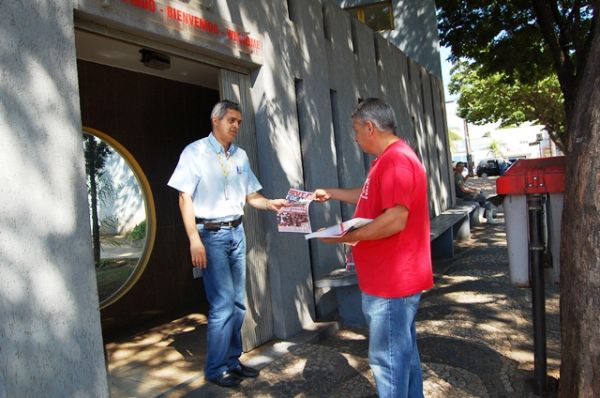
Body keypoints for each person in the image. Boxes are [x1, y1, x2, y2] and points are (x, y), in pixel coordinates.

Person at [313, 98, 433, 398]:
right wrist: (333, 193)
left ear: (370, 127)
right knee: (404, 357)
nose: (354, 137)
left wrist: (341, 237)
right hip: (390, 278)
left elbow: (395, 219)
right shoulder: (386, 160)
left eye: (356, 130)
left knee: (388, 361)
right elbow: (368, 197)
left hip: (391, 281)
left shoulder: (396, 159)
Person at [167, 100, 287, 388]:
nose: (236, 126)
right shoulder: (194, 153)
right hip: (209, 235)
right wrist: (194, 240)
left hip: (237, 232)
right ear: (215, 121)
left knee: (238, 303)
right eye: (231, 120)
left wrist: (270, 203)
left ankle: (233, 361)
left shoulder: (240, 156)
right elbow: (184, 198)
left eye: (239, 122)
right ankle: (216, 368)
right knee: (221, 304)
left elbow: (251, 196)